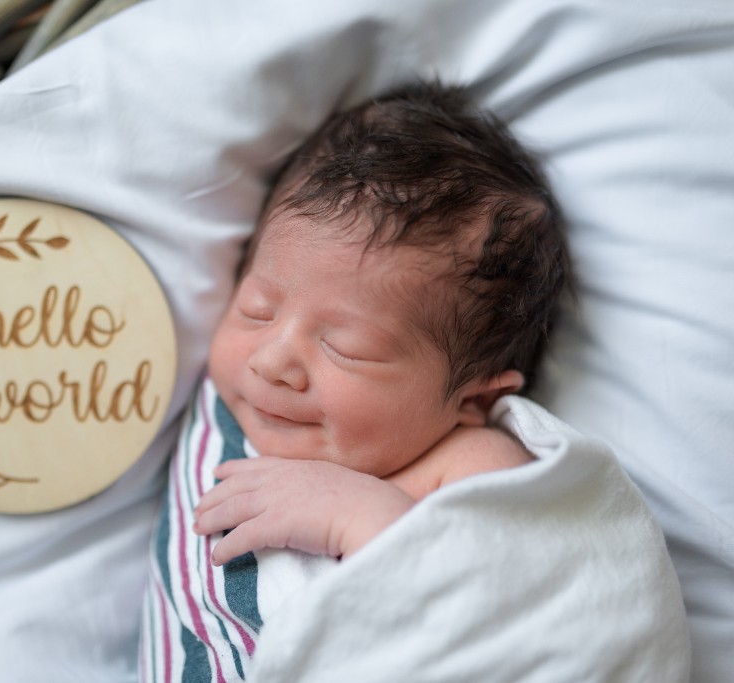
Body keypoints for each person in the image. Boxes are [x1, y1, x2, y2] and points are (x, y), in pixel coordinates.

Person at [139, 81, 569, 681]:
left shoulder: (473, 463)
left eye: (347, 348)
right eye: (257, 309)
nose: (272, 361)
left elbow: (501, 616)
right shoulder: (216, 398)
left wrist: (366, 519)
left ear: (475, 397)